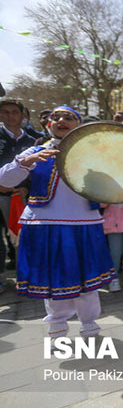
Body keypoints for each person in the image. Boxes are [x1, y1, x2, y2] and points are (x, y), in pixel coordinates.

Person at [0, 106, 114, 337]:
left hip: (84, 224)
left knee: (86, 280)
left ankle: (89, 325)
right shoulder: (35, 151)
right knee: (53, 280)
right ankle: (57, 328)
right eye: (56, 117)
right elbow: (4, 179)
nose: (62, 120)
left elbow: (115, 184)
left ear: (79, 125)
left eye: (69, 117)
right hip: (45, 224)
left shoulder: (94, 155)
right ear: (48, 124)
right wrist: (26, 162)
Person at [0, 100, 37, 288]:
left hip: (22, 198)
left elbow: (39, 171)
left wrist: (26, 188)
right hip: (1, 196)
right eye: (5, 112)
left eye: (14, 112)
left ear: (23, 114)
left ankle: (25, 277)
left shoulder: (32, 140)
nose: (10, 116)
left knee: (23, 238)